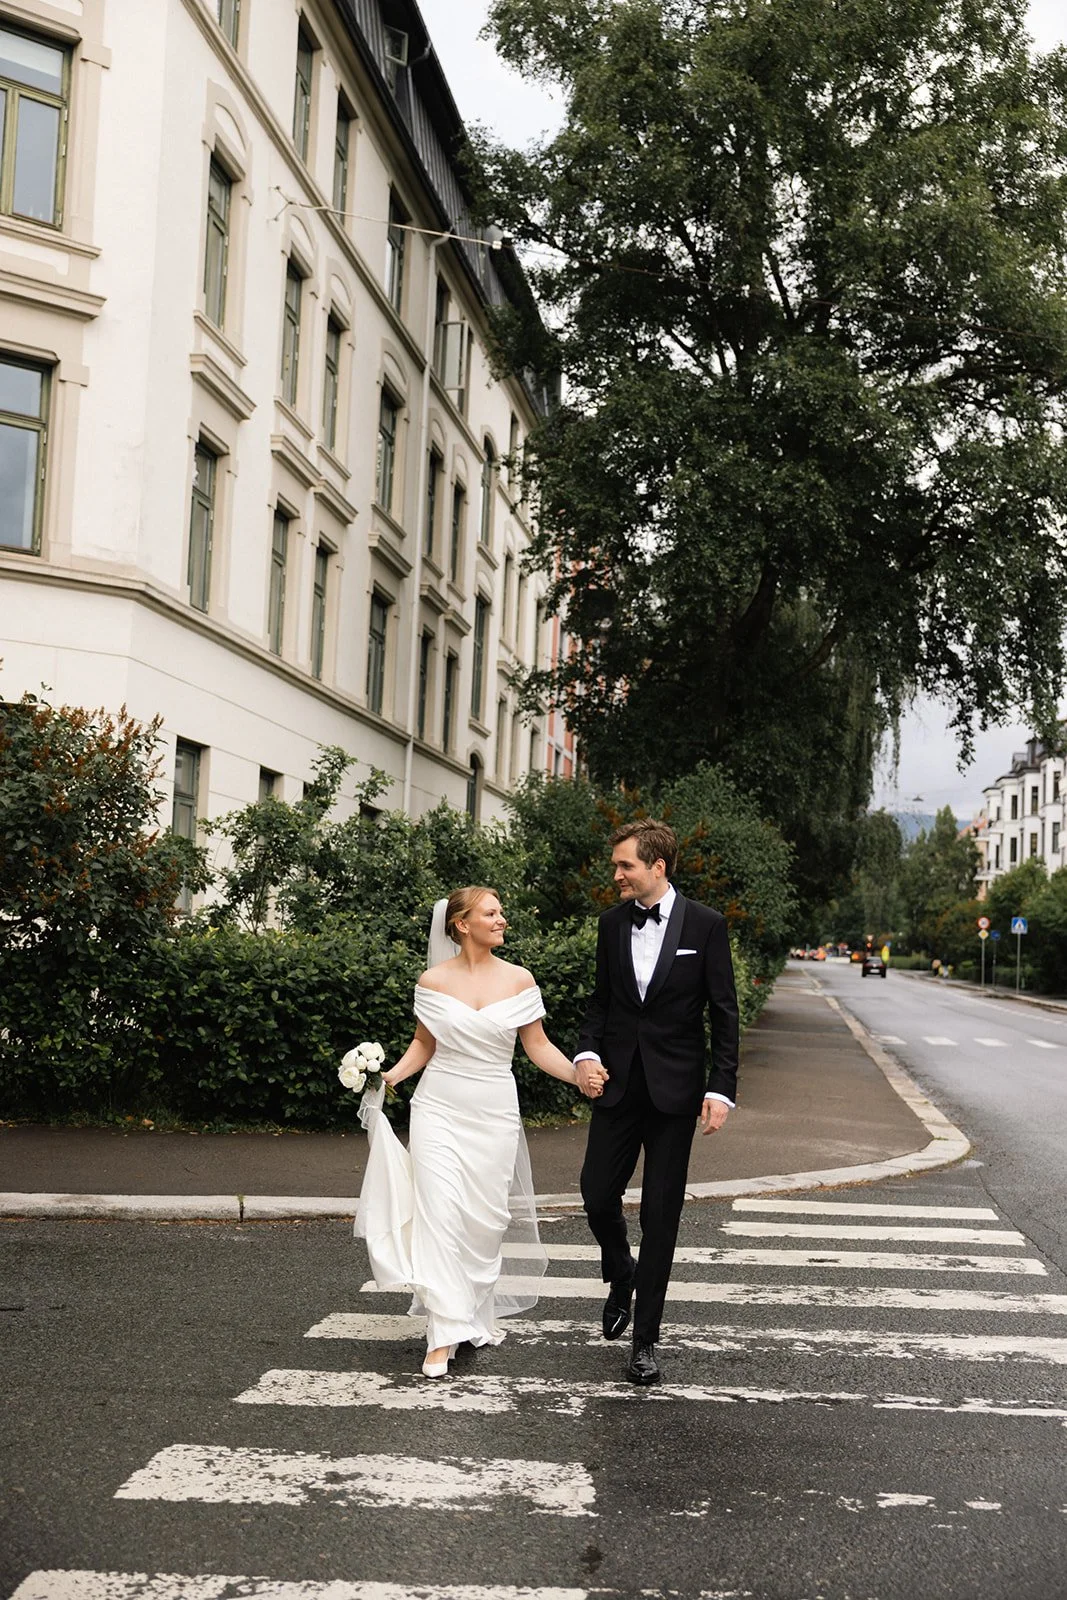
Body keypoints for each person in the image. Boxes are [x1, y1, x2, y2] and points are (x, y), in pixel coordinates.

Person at [354, 885, 604, 1378]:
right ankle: (441, 1335)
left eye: (502, 912)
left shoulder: (519, 980)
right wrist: (389, 1077)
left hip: (493, 1112)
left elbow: (537, 1045)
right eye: (491, 912)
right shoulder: (433, 981)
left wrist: (577, 1074)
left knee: (482, 1224)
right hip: (438, 1108)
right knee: (440, 1215)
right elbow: (425, 1043)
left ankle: (469, 1312)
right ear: (462, 924)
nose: (502, 919)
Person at [574, 818, 739, 1386]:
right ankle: (622, 1271)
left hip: (675, 1094)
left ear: (657, 866)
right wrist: (585, 1056)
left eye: (625, 865)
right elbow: (600, 1005)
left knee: (660, 1216)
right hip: (617, 1087)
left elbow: (724, 1013)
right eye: (617, 865)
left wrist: (720, 1088)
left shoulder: (707, 925)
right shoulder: (610, 924)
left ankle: (645, 1341)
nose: (616, 874)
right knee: (596, 1195)